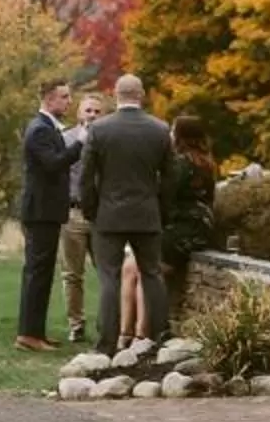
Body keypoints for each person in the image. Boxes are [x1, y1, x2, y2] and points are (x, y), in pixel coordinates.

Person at [81, 75, 175, 351]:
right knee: (152, 274)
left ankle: (107, 342)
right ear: (141, 95)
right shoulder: (159, 130)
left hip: (108, 215)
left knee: (109, 277)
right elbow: (170, 178)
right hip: (147, 213)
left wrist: (92, 210)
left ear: (115, 95)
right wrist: (162, 211)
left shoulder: (100, 130)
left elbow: (86, 177)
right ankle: (159, 335)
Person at [14, 81, 84, 351]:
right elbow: (54, 164)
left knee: (41, 272)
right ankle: (28, 334)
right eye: (64, 97)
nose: (69, 101)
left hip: (46, 211)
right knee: (37, 272)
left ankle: (35, 332)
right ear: (49, 99)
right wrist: (80, 143)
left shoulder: (48, 127)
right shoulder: (40, 129)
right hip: (41, 211)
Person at [161, 115, 221, 317]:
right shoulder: (207, 163)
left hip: (181, 230)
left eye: (173, 130)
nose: (170, 134)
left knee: (147, 275)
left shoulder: (180, 164)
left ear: (181, 136)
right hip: (202, 227)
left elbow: (166, 198)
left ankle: (149, 327)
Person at [59, 92, 105, 342]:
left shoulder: (110, 140)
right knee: (72, 274)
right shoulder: (66, 139)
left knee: (108, 272)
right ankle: (76, 324)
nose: (93, 115)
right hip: (73, 213)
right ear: (79, 113)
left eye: (97, 111)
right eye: (88, 110)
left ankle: (109, 324)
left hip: (101, 215)